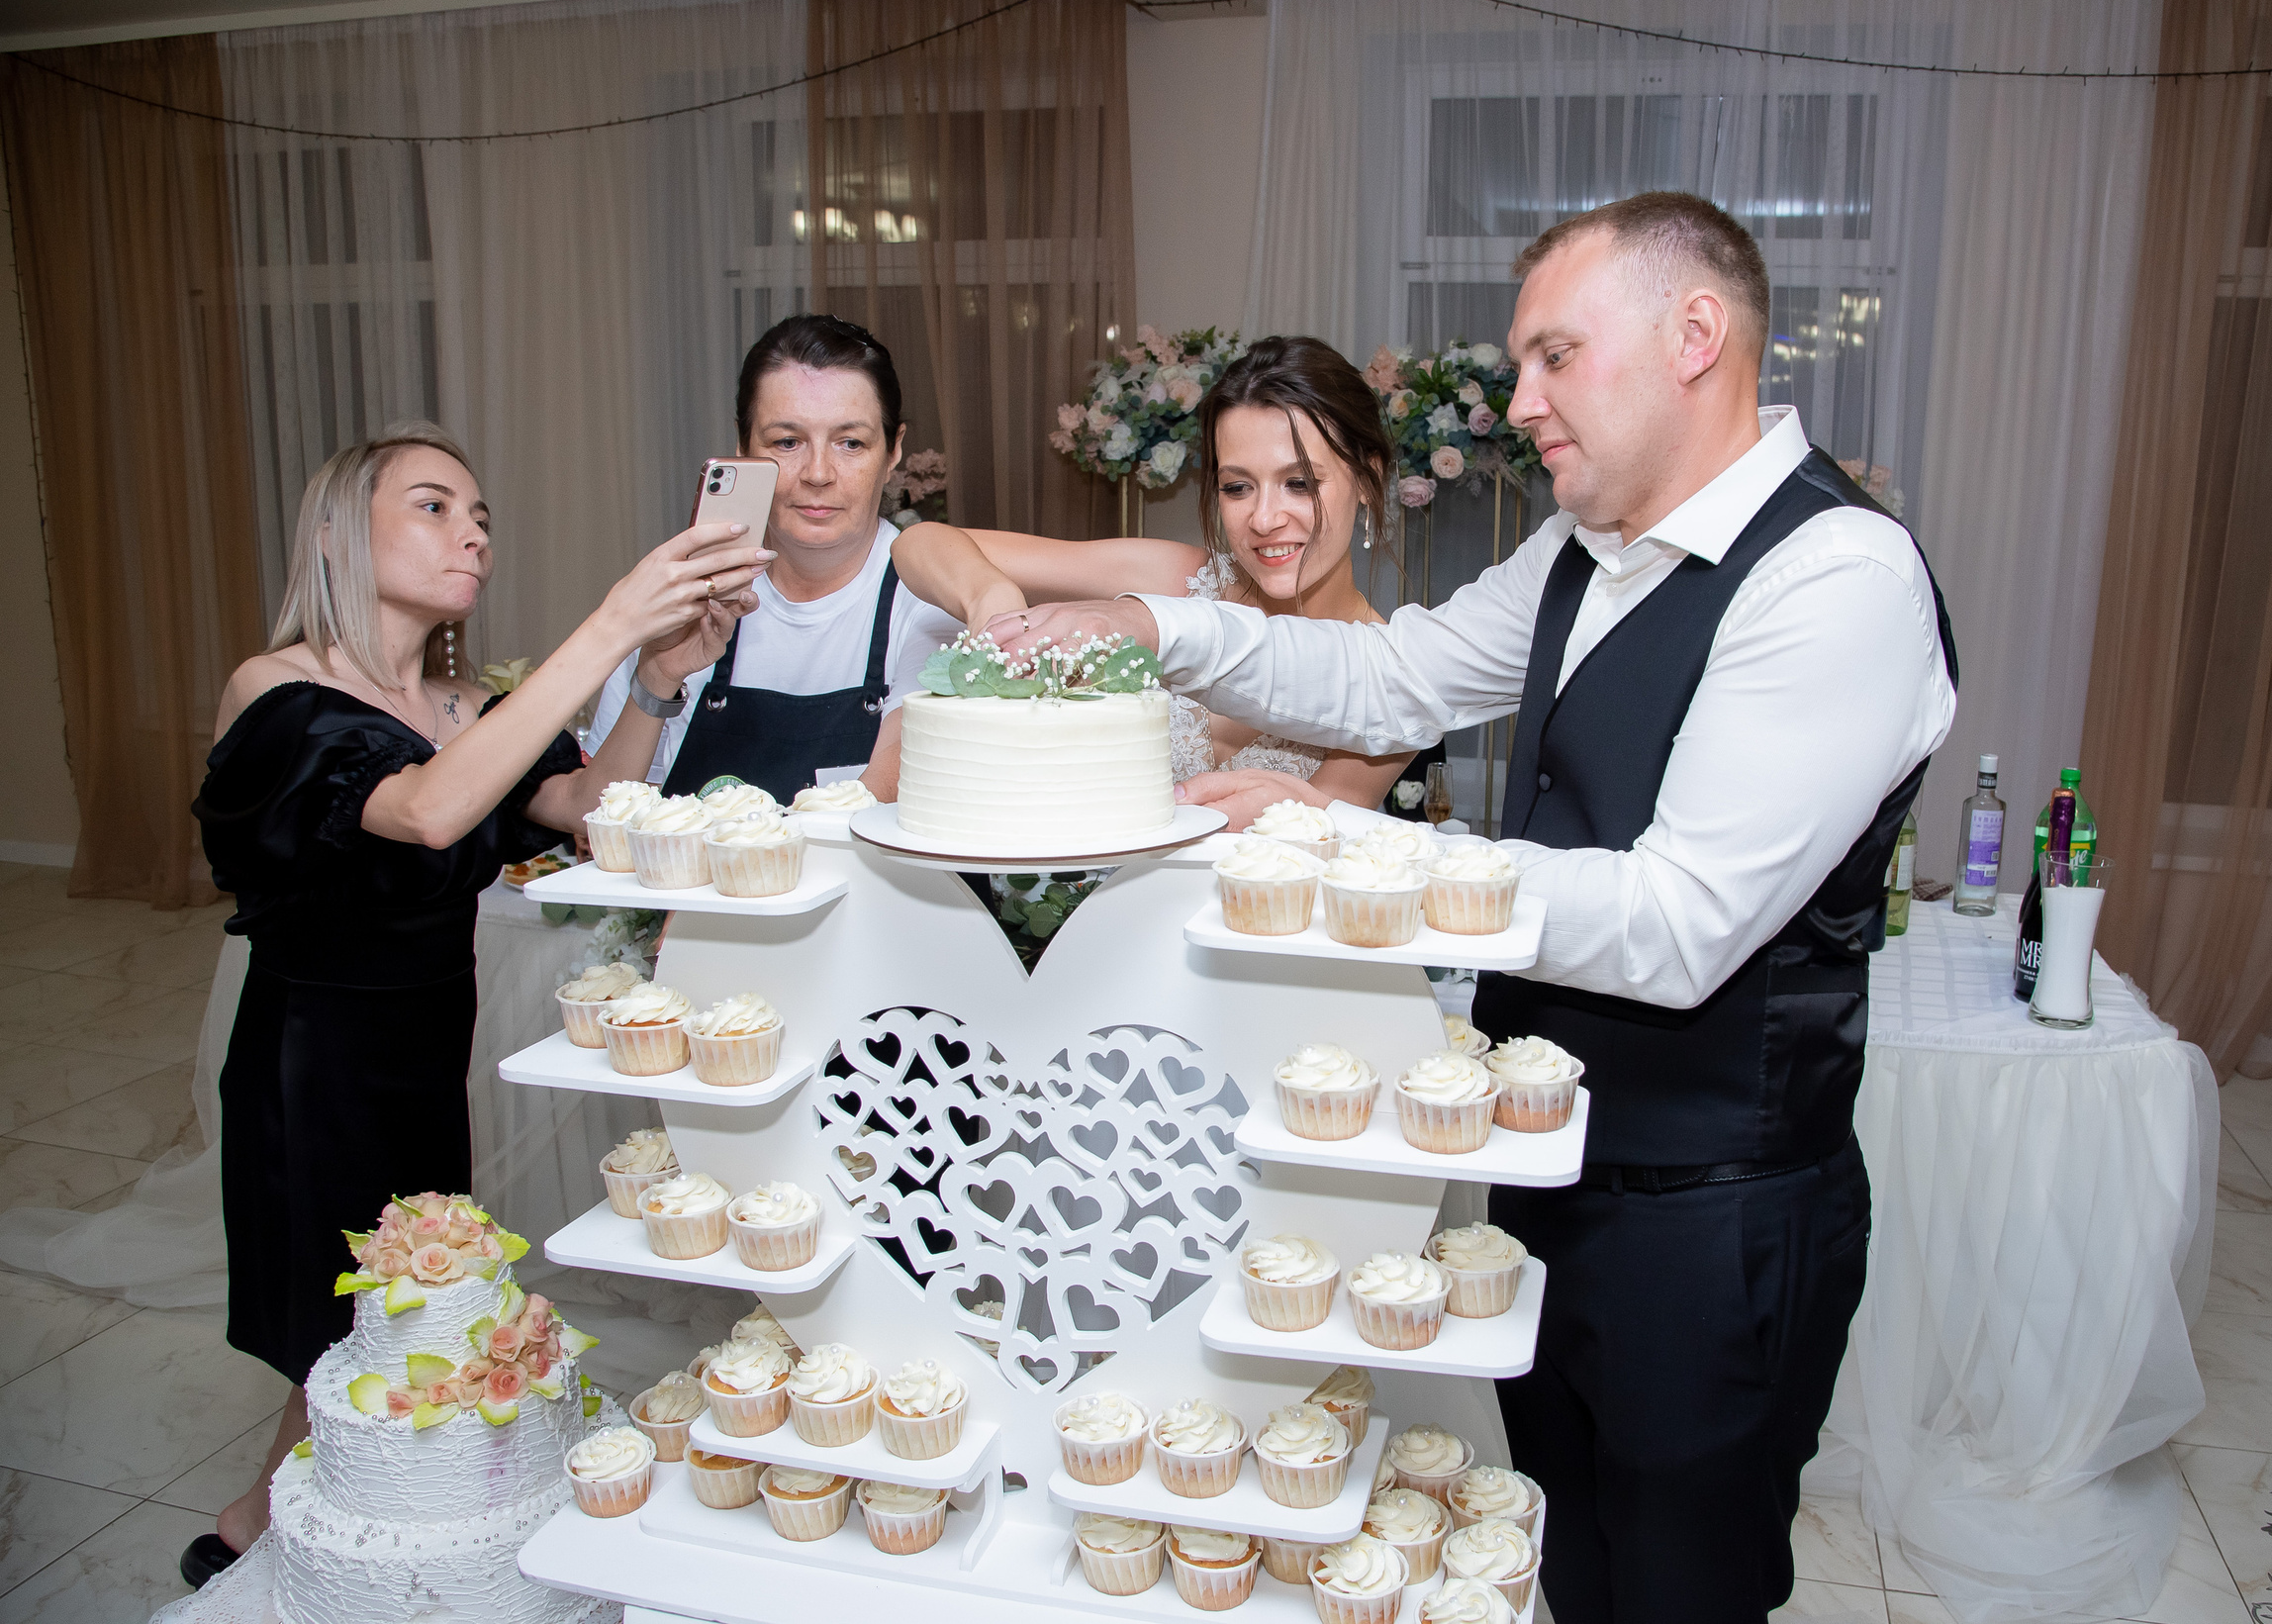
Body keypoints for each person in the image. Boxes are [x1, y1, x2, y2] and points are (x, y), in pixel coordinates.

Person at [989, 193, 1957, 1622]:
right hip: (1554, 1177)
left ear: (1696, 336)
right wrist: (1161, 626)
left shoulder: (1837, 574)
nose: (1523, 400)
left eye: (1555, 355)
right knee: (1569, 1564)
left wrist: (1356, 854)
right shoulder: (1586, 545)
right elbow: (1395, 680)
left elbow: (1679, 921)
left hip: (1718, 1211)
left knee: (1684, 1584)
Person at [186, 422, 768, 1585]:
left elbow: (588, 803)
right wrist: (608, 620)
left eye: (482, 513)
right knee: (357, 1320)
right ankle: (289, 1532)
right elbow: (431, 812)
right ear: (343, 530)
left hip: (423, 1060)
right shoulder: (277, 687)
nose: (474, 532)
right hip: (315, 1063)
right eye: (435, 506)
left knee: (409, 1308)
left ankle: (270, 1516)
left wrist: (655, 676)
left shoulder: (464, 702)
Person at [890, 334, 1412, 831]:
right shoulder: (1175, 582)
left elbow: (1301, 844)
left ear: (1368, 479)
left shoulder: (1396, 677)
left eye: (1299, 483)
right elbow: (918, 544)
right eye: (1237, 487)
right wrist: (993, 598)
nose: (1264, 518)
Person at [586, 315, 962, 803]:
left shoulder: (930, 601)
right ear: (743, 448)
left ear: (892, 451)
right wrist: (657, 674)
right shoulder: (677, 595)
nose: (819, 473)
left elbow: (908, 789)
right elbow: (606, 812)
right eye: (787, 441)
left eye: (851, 443)